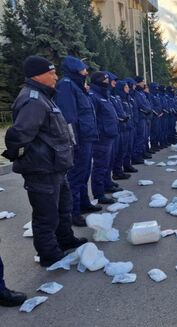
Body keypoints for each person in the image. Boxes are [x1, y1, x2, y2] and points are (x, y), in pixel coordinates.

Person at [3, 55, 87, 266]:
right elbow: (19, 135)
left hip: (55, 167)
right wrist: (27, 159)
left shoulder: (44, 97)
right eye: (51, 73)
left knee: (63, 207)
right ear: (38, 76)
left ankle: (65, 240)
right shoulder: (33, 99)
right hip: (42, 169)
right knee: (46, 215)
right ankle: (48, 254)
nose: (56, 76)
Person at [55, 56, 101, 227]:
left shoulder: (76, 86)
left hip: (86, 137)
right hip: (79, 139)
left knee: (84, 172)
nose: (86, 72)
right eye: (83, 69)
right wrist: (74, 142)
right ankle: (73, 212)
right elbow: (68, 117)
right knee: (75, 176)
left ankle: (84, 202)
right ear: (75, 69)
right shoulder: (66, 85)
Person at [90, 72, 119, 204]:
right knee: (100, 165)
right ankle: (99, 193)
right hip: (102, 137)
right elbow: (93, 118)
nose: (108, 82)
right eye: (105, 80)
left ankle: (107, 184)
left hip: (109, 135)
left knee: (108, 163)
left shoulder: (104, 95)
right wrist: (100, 132)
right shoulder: (94, 96)